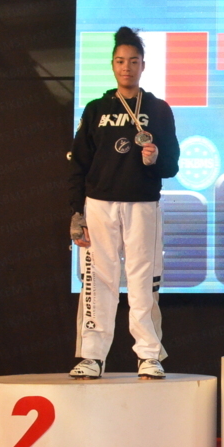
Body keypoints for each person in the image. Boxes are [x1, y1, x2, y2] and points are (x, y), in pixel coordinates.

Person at [67, 27, 180, 379]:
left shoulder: (158, 109)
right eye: (120, 61)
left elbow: (171, 165)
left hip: (142, 204)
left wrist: (154, 159)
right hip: (99, 204)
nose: (126, 67)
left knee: (143, 280)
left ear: (143, 65)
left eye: (133, 61)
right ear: (112, 65)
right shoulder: (97, 109)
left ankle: (148, 355)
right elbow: (78, 164)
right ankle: (92, 356)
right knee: (97, 281)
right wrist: (76, 212)